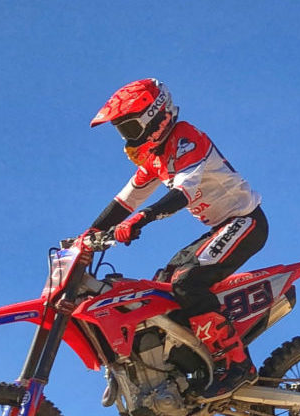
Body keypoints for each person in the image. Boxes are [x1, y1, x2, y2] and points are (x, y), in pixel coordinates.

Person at [85, 79, 266, 395]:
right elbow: (123, 202)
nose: (126, 139)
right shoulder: (154, 157)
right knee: (163, 286)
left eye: (129, 128)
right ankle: (191, 363)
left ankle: (239, 365)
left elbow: (183, 192)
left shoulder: (185, 138)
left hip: (245, 221)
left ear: (155, 117)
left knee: (187, 283)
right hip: (222, 227)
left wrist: (143, 219)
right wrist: (85, 238)